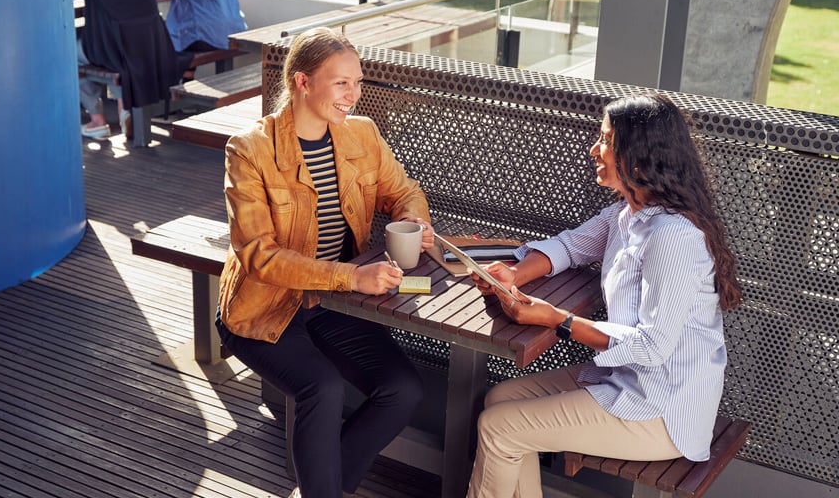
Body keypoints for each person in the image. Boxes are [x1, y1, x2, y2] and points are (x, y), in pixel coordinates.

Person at [466, 93, 742, 498]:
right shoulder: (627, 215)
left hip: (662, 408)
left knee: (500, 428)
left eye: (606, 141)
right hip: (625, 381)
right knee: (500, 399)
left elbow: (653, 346)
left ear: (640, 154)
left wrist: (555, 319)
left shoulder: (671, 236)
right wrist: (513, 274)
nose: (595, 149)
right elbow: (571, 246)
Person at [216, 27, 433, 498]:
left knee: (403, 391)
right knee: (323, 389)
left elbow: (404, 191)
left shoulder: (363, 135)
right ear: (302, 82)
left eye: (357, 82)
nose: (353, 95)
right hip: (264, 308)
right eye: (341, 84)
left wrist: (413, 219)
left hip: (336, 304)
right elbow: (258, 255)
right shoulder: (250, 149)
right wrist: (352, 275)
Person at [73, 0, 160, 139]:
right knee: (121, 58)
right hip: (143, 45)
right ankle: (125, 108)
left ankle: (97, 120)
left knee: (69, 54)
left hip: (107, 48)